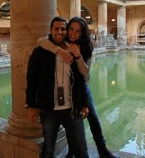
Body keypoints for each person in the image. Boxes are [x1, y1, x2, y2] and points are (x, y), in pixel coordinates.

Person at [38, 16, 119, 158]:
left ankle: (102, 148)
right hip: (68, 88)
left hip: (82, 86)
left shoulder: (87, 46)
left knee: (92, 116)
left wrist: (77, 55)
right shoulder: (62, 41)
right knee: (73, 120)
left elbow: (85, 73)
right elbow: (40, 41)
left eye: (78, 31)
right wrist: (60, 51)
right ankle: (71, 151)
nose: (73, 33)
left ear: (82, 33)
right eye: (71, 29)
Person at [26, 16, 89, 158]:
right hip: (49, 110)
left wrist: (84, 103)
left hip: (72, 109)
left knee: (81, 148)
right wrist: (30, 105)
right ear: (51, 30)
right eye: (56, 28)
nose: (60, 32)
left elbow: (80, 81)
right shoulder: (40, 52)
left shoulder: (74, 50)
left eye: (63, 29)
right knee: (48, 149)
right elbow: (31, 80)